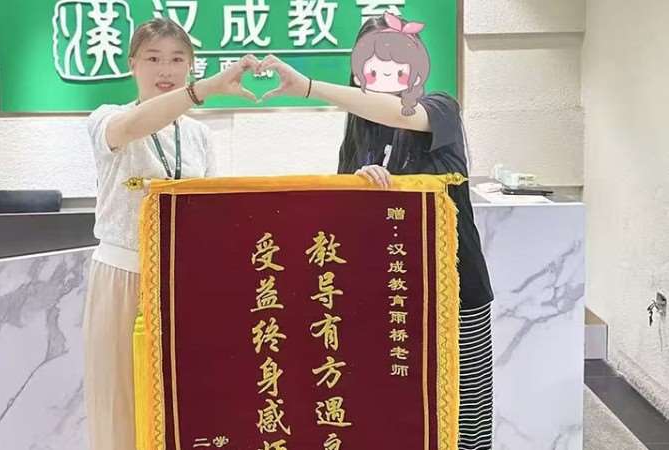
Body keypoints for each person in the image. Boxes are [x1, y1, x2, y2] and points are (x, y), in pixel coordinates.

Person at [255, 13, 495, 450]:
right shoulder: (357, 133)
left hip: (454, 292)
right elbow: (344, 222)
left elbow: (404, 115)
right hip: (389, 296)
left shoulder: (440, 108)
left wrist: (309, 87)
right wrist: (358, 188)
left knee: (462, 416)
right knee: (395, 412)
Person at [83, 17, 258, 450]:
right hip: (123, 276)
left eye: (178, 59)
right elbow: (132, 128)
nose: (166, 70)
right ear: (132, 64)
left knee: (183, 396)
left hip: (182, 282)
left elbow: (211, 208)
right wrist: (205, 89)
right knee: (121, 395)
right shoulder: (108, 118)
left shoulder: (198, 135)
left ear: (191, 65)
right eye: (154, 59)